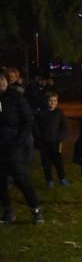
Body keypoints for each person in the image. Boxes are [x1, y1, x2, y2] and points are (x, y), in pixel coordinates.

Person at [0, 70, 44, 224]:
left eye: (3, 79)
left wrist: (18, 140)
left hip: (14, 145)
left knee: (21, 178)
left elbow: (28, 119)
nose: (1, 82)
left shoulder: (15, 97)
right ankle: (8, 211)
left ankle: (36, 209)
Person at [33, 91, 69, 188]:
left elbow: (64, 127)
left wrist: (60, 138)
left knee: (58, 162)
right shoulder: (40, 113)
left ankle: (62, 178)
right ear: (46, 101)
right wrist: (39, 140)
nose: (53, 103)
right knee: (46, 163)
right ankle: (49, 180)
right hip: (44, 144)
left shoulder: (59, 113)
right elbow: (35, 128)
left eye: (55, 100)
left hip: (56, 143)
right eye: (50, 101)